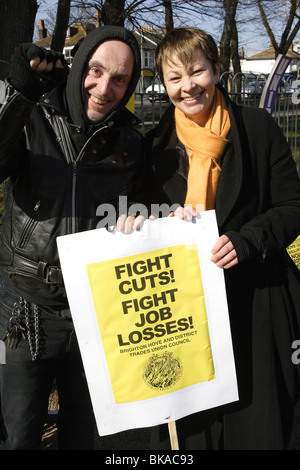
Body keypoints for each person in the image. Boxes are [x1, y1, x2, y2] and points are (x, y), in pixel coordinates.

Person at [146, 27, 300, 450]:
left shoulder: (257, 128)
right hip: (188, 307)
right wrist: (159, 221)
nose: (187, 86)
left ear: (216, 70)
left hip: (258, 298)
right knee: (199, 425)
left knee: (260, 422)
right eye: (174, 77)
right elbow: (137, 215)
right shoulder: (153, 144)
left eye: (196, 71)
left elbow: (292, 205)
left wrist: (248, 240)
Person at [0, 26, 147, 450]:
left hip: (95, 314)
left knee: (87, 435)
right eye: (95, 71)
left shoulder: (131, 142)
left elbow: (148, 208)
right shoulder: (34, 119)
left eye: (120, 79)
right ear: (80, 65)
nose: (104, 88)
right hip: (25, 310)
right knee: (18, 434)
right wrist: (22, 96)